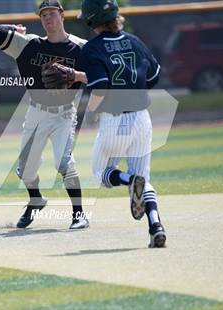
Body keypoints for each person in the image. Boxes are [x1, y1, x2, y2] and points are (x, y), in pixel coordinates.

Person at [0, 0, 89, 229]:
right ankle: (36, 200)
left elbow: (99, 75)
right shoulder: (29, 44)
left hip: (64, 114)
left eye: (52, 13)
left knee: (64, 163)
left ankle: (79, 215)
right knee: (25, 171)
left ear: (62, 15)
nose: (48, 19)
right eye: (43, 15)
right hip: (36, 112)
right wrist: (15, 31)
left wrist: (75, 74)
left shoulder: (80, 47)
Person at [79, 0, 166, 247]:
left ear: (90, 20)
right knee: (144, 177)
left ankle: (129, 182)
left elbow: (100, 89)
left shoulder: (92, 48)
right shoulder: (135, 41)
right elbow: (153, 76)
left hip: (115, 119)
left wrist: (90, 114)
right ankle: (155, 225)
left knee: (101, 174)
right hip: (142, 119)